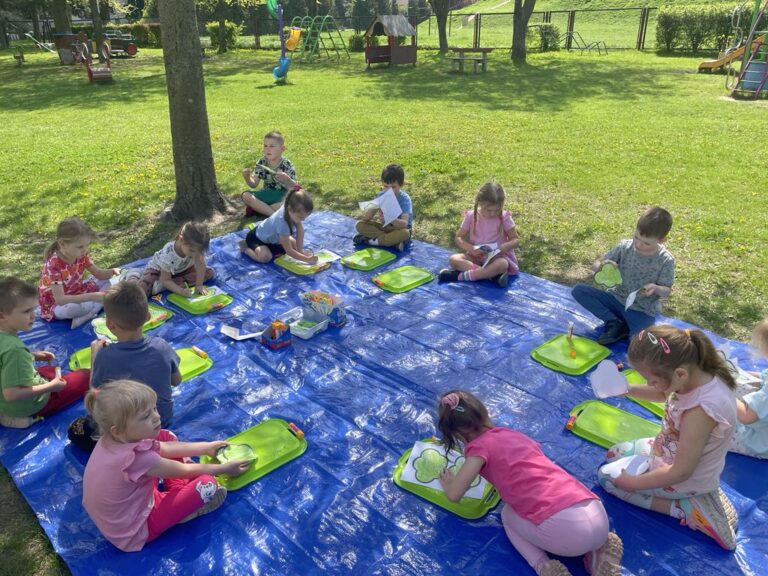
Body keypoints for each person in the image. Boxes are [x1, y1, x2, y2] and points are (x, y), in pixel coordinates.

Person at [437, 390, 623, 576]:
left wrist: (449, 482)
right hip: (596, 514)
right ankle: (599, 551)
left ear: (457, 433)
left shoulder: (478, 448)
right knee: (578, 530)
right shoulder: (513, 435)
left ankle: (544, 567)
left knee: (508, 514)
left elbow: (454, 494)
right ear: (484, 412)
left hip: (567, 531)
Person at [597, 325, 738, 550]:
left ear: (679, 373)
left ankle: (686, 507)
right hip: (669, 452)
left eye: (651, 380)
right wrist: (623, 388)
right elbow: (663, 393)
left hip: (684, 477)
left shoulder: (699, 411)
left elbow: (681, 471)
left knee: (607, 479)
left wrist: (632, 483)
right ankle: (698, 492)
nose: (649, 385)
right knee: (614, 453)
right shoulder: (692, 374)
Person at [82, 380, 249, 552]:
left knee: (164, 437)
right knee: (207, 483)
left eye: (154, 408)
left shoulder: (110, 439)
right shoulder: (137, 459)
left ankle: (178, 497)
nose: (156, 416)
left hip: (128, 508)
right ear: (118, 430)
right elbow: (184, 470)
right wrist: (224, 468)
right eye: (146, 416)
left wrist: (206, 448)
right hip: (137, 528)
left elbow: (166, 447)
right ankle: (183, 513)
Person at [67, 282, 181, 452]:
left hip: (127, 432)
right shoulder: (162, 346)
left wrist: (94, 357)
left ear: (110, 324)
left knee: (75, 429)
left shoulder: (105, 356)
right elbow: (176, 381)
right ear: (148, 316)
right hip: (161, 420)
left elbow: (96, 396)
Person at [571, 207, 674, 345]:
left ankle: (625, 328)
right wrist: (603, 266)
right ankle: (614, 321)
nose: (638, 244)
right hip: (616, 300)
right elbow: (595, 265)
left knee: (640, 345)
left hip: (641, 311)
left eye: (646, 243)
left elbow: (666, 292)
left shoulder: (665, 260)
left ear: (662, 240)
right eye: (636, 237)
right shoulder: (624, 247)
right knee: (579, 290)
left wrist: (655, 288)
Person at [0, 277, 90, 428]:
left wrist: (32, 355)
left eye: (33, 310)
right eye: (26, 311)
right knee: (86, 376)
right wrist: (51, 387)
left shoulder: (7, 340)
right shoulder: (15, 349)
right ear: (2, 316)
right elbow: (12, 394)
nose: (33, 316)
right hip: (25, 405)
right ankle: (14, 418)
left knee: (49, 370)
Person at [39, 217, 118, 328]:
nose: (85, 250)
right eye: (80, 247)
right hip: (57, 305)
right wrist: (92, 296)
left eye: (87, 245)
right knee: (72, 309)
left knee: (111, 283)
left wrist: (113, 272)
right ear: (62, 243)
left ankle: (86, 313)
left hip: (78, 293)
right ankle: (92, 310)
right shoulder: (53, 266)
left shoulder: (81, 255)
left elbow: (99, 273)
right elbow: (60, 299)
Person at [438, 182, 519, 288]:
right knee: (453, 259)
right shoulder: (472, 216)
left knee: (502, 264)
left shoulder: (504, 217)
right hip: (475, 257)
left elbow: (515, 239)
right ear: (480, 203)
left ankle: (459, 276)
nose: (493, 214)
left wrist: (504, 247)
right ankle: (491, 276)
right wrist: (471, 249)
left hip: (495, 258)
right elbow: (458, 237)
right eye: (489, 210)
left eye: (497, 210)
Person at [240, 188, 318, 264]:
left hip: (274, 238)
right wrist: (307, 260)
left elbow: (300, 231)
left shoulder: (290, 206)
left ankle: (273, 247)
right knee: (265, 257)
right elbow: (289, 251)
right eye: (301, 217)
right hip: (257, 239)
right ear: (290, 209)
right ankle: (246, 249)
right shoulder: (282, 223)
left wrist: (300, 251)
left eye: (305, 217)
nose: (303, 220)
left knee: (295, 245)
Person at [137, 221, 215, 297]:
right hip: (159, 271)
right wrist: (181, 291)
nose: (195, 255)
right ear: (181, 239)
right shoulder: (169, 254)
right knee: (141, 291)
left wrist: (199, 285)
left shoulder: (194, 249)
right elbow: (165, 279)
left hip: (180, 271)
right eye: (192, 251)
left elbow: (201, 265)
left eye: (199, 251)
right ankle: (132, 275)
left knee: (209, 272)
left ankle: (167, 285)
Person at [730, 318, 768, 459]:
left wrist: (725, 392)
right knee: (739, 385)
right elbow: (763, 377)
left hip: (758, 443)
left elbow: (746, 416)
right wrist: (738, 373)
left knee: (714, 429)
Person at [353, 164, 413, 252]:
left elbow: (404, 223)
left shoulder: (404, 199)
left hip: (399, 228)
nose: (389, 190)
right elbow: (369, 216)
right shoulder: (381, 195)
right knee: (359, 225)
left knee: (405, 233)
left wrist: (392, 219)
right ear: (382, 183)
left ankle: (371, 241)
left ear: (401, 184)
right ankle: (391, 242)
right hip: (385, 227)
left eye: (393, 187)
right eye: (385, 186)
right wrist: (365, 215)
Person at [241, 130, 299, 218]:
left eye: (272, 146)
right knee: (246, 195)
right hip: (266, 194)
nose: (267, 149)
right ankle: (273, 216)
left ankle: (261, 209)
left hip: (282, 196)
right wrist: (247, 178)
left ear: (282, 149)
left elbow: (295, 188)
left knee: (294, 202)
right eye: (265, 146)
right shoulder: (262, 162)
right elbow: (253, 184)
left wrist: (286, 179)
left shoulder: (286, 164)